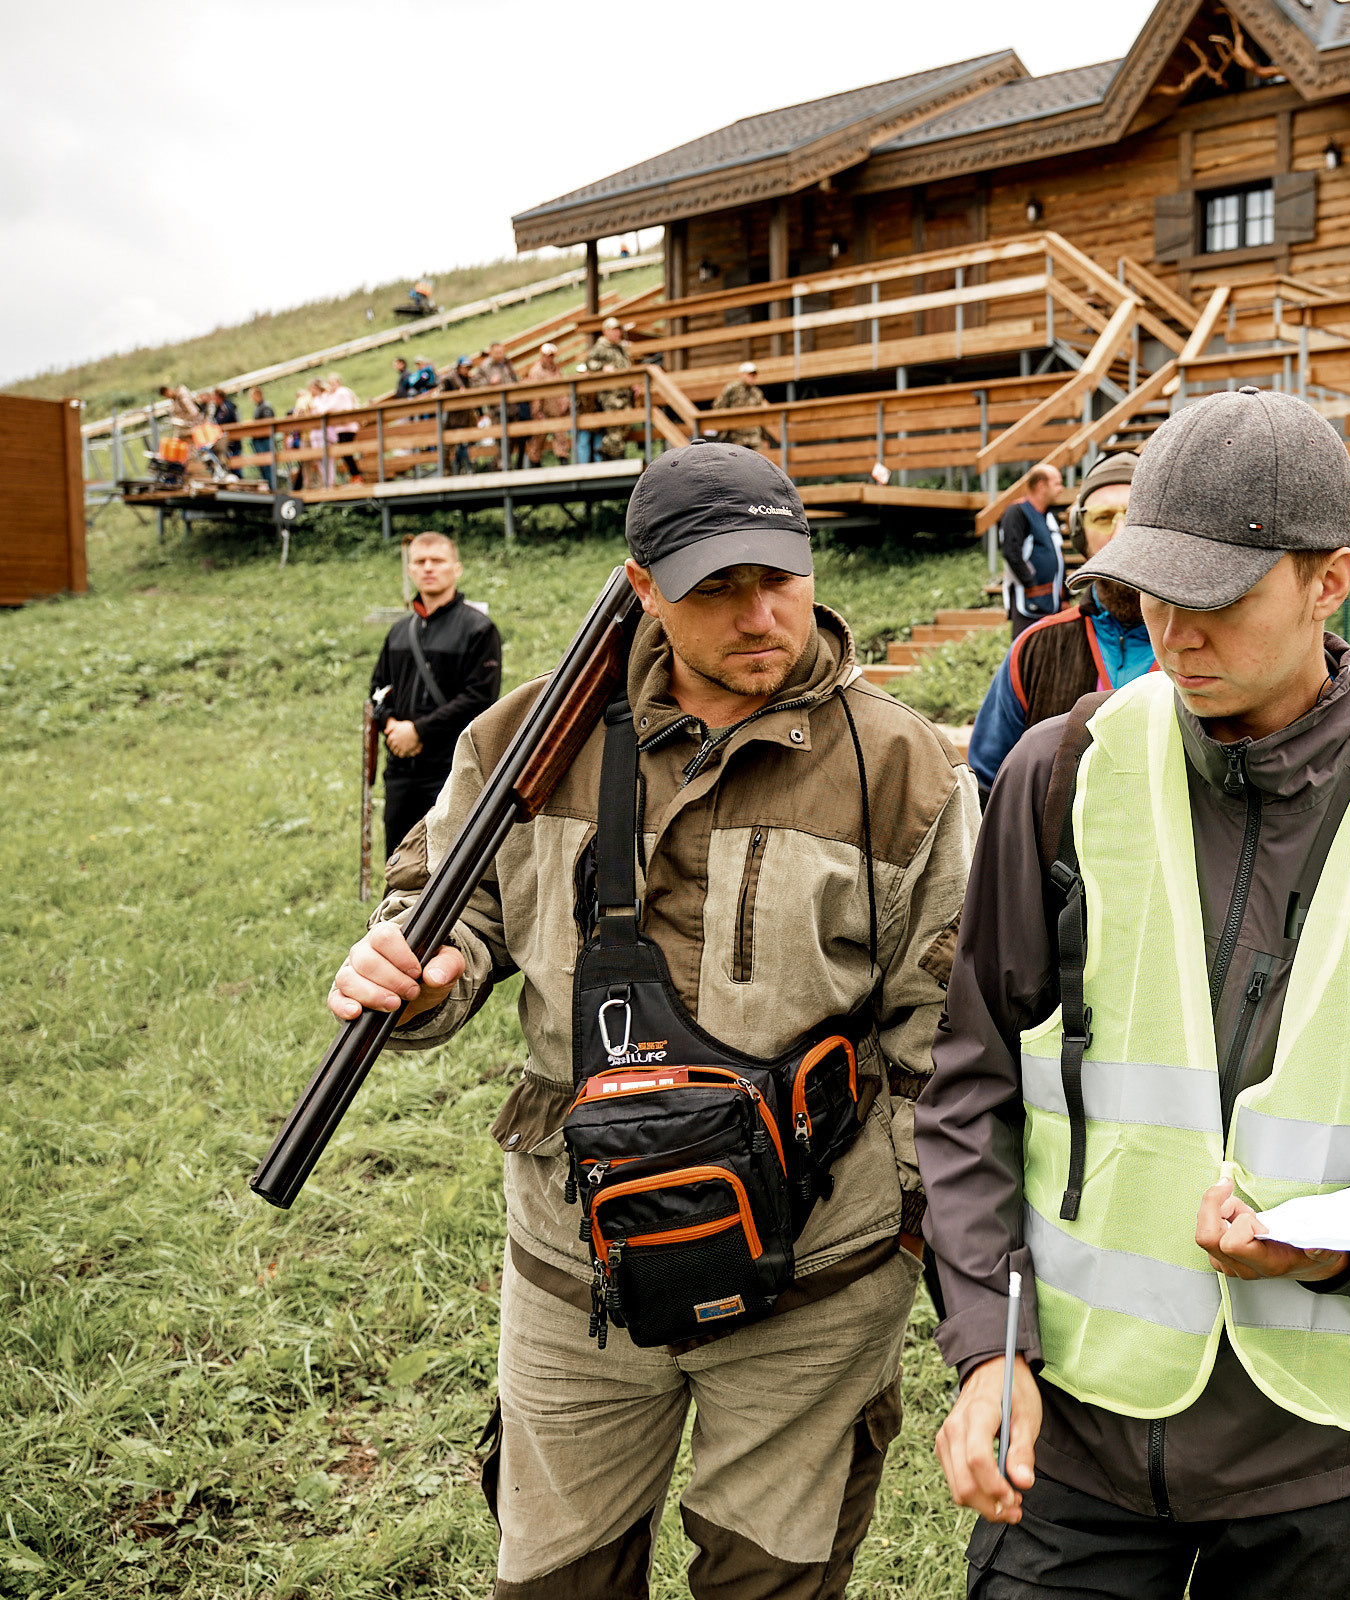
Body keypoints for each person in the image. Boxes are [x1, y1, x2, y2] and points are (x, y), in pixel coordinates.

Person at [324, 442, 976, 1598]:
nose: (759, 614)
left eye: (779, 577)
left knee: (769, 1584)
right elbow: (446, 913)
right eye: (714, 586)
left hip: (814, 1285)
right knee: (554, 1581)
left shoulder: (912, 769)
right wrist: (419, 978)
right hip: (575, 1270)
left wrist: (906, 1238)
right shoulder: (519, 743)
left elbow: (951, 1040)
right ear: (641, 587)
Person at [921, 387, 1350, 1600]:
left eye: (1219, 597)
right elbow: (972, 1087)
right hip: (1079, 1445)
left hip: (1329, 1467)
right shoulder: (1060, 778)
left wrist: (1323, 1250)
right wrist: (992, 1349)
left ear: (1331, 579)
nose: (1177, 631)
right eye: (1153, 592)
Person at [965, 452, 1154, 794]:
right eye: (1103, 517)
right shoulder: (1034, 649)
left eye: (1136, 516)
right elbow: (986, 785)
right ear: (1081, 535)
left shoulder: (1206, 643)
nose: (1121, 532)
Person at [365, 531, 506, 853]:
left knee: (450, 865)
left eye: (437, 560)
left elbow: (479, 699)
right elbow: (377, 690)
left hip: (452, 769)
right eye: (420, 562)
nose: (428, 568)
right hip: (401, 770)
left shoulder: (479, 629)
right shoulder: (399, 632)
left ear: (456, 568)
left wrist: (418, 731)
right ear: (411, 570)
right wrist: (391, 727)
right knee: (398, 862)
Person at [996, 464, 1065, 637]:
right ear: (1041, 485)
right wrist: (1031, 584)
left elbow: (1057, 556)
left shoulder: (1047, 516)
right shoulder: (1017, 512)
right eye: (1057, 484)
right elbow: (1011, 552)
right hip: (1028, 600)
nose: (1061, 489)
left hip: (1051, 600)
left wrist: (1065, 595)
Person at [579, 317, 636, 464]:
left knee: (625, 424)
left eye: (618, 329)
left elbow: (628, 366)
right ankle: (614, 455)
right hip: (610, 393)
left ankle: (606, 450)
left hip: (624, 392)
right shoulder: (600, 347)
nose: (618, 333)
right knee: (615, 425)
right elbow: (589, 363)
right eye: (614, 330)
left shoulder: (621, 348)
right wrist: (602, 368)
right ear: (606, 331)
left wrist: (634, 383)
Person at [521, 343, 569, 468]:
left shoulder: (556, 370)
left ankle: (563, 463)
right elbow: (535, 394)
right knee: (538, 440)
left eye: (551, 355)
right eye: (547, 356)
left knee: (561, 438)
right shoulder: (536, 371)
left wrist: (565, 402)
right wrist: (537, 411)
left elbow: (563, 388)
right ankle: (535, 465)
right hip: (543, 411)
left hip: (556, 410)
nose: (549, 358)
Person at [715, 361, 773, 452]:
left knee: (760, 458)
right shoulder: (732, 388)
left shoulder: (757, 393)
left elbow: (761, 417)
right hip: (736, 434)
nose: (752, 377)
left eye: (753, 375)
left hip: (754, 434)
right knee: (736, 460)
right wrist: (724, 427)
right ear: (741, 375)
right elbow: (719, 407)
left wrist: (765, 438)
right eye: (749, 374)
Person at [324, 371, 365, 483]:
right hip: (341, 427)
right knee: (345, 453)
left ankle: (356, 475)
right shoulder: (335, 394)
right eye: (329, 383)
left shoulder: (341, 392)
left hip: (346, 426)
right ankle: (355, 475)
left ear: (338, 382)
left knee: (346, 452)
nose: (331, 385)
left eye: (333, 383)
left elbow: (333, 407)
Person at [248, 386, 278, 485]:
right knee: (263, 466)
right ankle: (268, 486)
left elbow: (268, 423)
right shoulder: (259, 407)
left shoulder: (265, 407)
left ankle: (272, 486)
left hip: (264, 440)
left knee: (268, 465)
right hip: (259, 440)